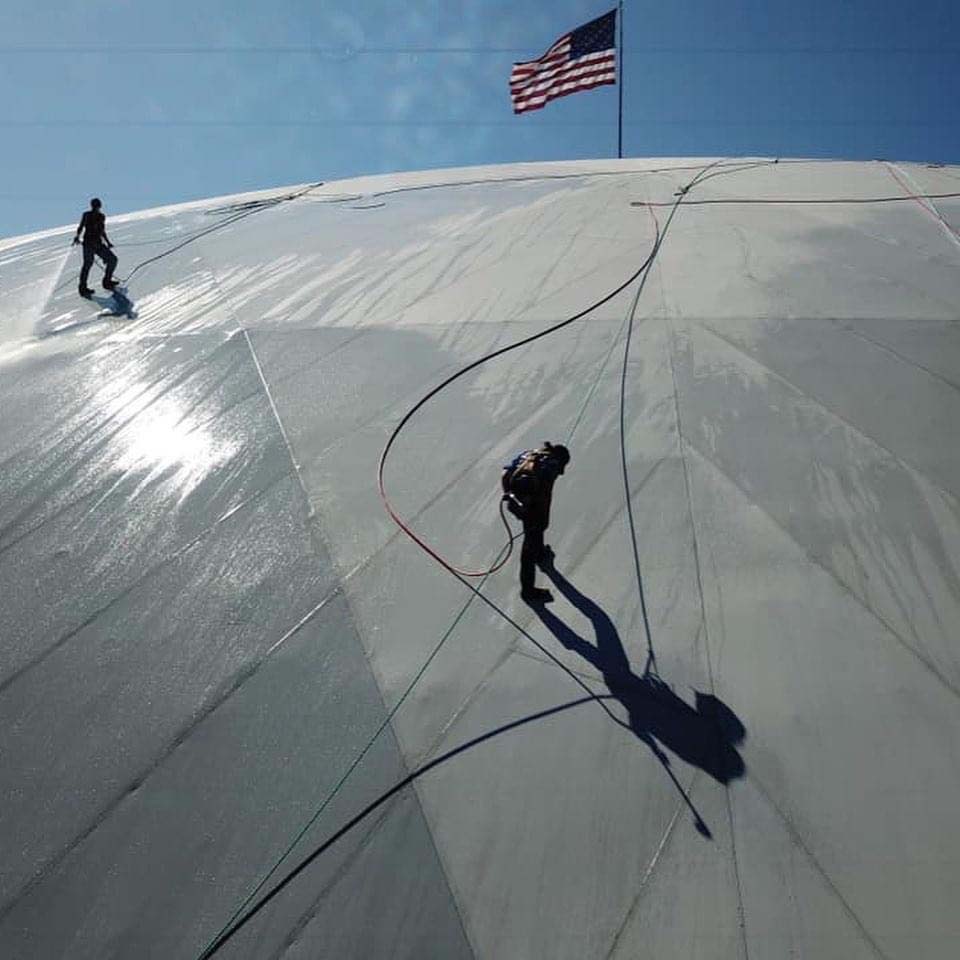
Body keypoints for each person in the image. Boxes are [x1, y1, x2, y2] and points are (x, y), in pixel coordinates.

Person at [501, 441, 570, 602]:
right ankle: (528, 591)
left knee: (534, 534)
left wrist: (509, 494)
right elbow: (544, 497)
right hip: (531, 507)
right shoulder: (550, 466)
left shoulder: (530, 454)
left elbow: (505, 474)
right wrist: (542, 519)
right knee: (529, 548)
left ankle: (540, 553)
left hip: (516, 502)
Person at [73, 197, 118, 298]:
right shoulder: (87, 215)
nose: (96, 207)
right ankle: (83, 288)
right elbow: (81, 227)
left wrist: (108, 242)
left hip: (97, 244)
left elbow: (101, 231)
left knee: (112, 260)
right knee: (88, 264)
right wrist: (77, 236)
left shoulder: (101, 216)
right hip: (89, 244)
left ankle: (107, 281)